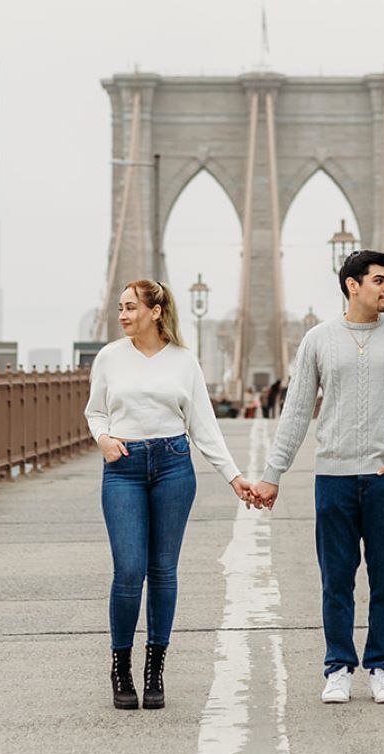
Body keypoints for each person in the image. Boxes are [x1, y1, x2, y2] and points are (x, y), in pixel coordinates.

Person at [250, 250, 384, 705]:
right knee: (336, 579)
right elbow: (296, 411)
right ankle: (338, 667)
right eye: (379, 280)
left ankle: (383, 667)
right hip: (332, 475)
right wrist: (272, 474)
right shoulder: (318, 339)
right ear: (352, 285)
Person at [85, 280, 259, 710]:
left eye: (130, 307)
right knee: (129, 570)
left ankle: (154, 668)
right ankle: (121, 666)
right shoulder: (109, 357)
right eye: (120, 308)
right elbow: (95, 410)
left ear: (155, 311)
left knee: (163, 571)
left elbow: (204, 426)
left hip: (173, 465)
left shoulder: (183, 362)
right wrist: (103, 438)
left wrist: (235, 477)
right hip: (122, 467)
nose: (122, 315)